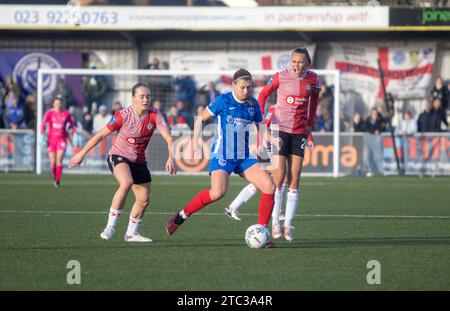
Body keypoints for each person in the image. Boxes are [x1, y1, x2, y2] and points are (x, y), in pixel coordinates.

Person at [165, 69, 276, 246]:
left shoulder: (253, 104)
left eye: (249, 87)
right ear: (233, 85)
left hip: (244, 156)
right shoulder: (223, 100)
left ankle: (263, 231)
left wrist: (275, 140)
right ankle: (181, 216)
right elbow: (201, 118)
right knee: (218, 193)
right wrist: (194, 142)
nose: (246, 91)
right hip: (222, 154)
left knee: (269, 186)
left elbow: (262, 128)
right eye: (242, 87)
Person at [68, 83, 176, 242]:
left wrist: (171, 157)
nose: (146, 100)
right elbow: (100, 135)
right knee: (126, 182)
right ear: (133, 99)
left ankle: (131, 234)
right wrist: (81, 153)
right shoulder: (123, 115)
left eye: (148, 96)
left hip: (139, 160)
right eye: (142, 96)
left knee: (144, 200)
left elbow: (168, 137)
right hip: (118, 156)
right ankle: (110, 226)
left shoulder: (155, 115)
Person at [256, 47, 319, 242]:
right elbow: (262, 96)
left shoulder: (314, 79)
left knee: (295, 179)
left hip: (299, 133)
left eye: (300, 62)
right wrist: (261, 124)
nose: (296, 65)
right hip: (279, 131)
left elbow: (314, 99)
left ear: (307, 63)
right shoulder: (279, 77)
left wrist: (309, 125)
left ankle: (287, 224)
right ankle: (275, 222)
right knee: (279, 178)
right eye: (294, 61)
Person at [40, 96, 76, 188]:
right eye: (56, 103)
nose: (58, 105)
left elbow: (72, 125)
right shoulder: (49, 113)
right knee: (52, 162)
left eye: (59, 103)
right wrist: (41, 135)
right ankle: (55, 176)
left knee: (59, 160)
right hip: (51, 140)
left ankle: (57, 180)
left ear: (61, 104)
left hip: (61, 139)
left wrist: (75, 135)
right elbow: (43, 124)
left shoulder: (66, 114)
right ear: (53, 104)